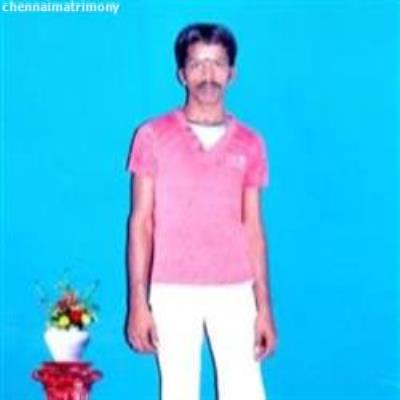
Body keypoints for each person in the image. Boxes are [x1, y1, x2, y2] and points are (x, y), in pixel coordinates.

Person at [126, 22, 277, 400]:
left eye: (217, 64)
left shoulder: (251, 143)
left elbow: (253, 228)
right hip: (172, 290)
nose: (208, 75)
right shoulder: (152, 136)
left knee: (245, 391)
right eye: (197, 64)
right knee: (178, 391)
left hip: (235, 289)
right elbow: (141, 223)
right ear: (182, 74)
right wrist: (137, 302)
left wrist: (263, 307)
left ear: (232, 73)